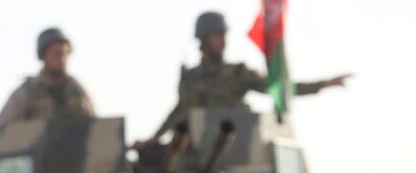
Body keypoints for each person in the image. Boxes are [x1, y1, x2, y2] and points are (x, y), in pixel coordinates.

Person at [141, 11, 350, 144]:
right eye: (217, 36)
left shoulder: (237, 73)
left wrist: (321, 85)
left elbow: (277, 87)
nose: (222, 42)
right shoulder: (190, 79)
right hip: (197, 152)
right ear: (203, 40)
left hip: (235, 148)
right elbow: (179, 112)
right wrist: (152, 140)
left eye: (224, 36)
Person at [0, 27, 96, 133]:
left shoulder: (77, 90)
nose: (62, 59)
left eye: (64, 54)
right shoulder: (27, 92)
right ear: (43, 56)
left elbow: (95, 127)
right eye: (56, 54)